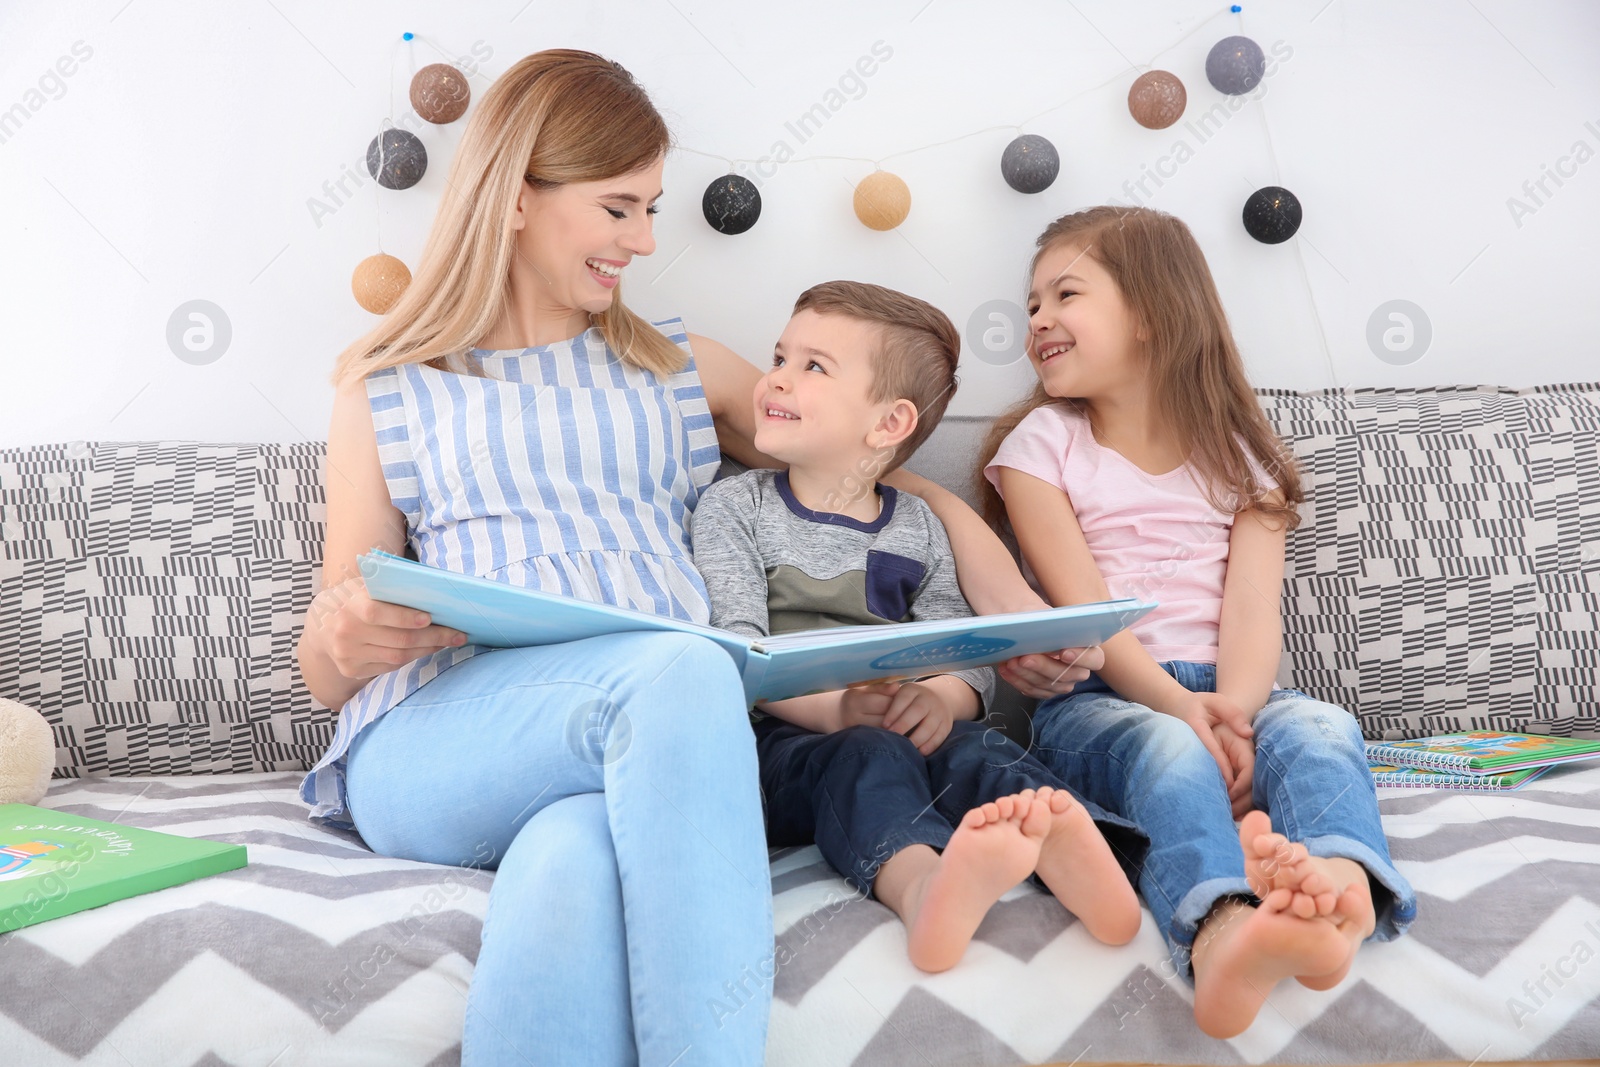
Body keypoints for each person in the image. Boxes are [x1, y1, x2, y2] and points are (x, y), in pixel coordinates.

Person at [293, 49, 1104, 1066]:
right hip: (442, 741)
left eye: (651, 208)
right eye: (618, 207)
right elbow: (327, 672)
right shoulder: (387, 385)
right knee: (687, 666)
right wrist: (342, 630)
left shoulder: (675, 366)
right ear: (514, 196)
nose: (643, 239)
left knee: (572, 867)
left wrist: (1013, 606)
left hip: (622, 762)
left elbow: (863, 464)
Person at [978, 205, 1417, 1039]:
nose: (1037, 319)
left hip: (1236, 694)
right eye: (1030, 304)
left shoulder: (1239, 454)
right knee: (1172, 750)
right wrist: (1185, 712)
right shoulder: (1042, 445)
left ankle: (1342, 893)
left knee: (1322, 724)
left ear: (1151, 312)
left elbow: (1254, 612)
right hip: (1105, 699)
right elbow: (1088, 613)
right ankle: (1218, 932)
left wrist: (1239, 716)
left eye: (1064, 294)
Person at [691, 281, 1148, 974]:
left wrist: (938, 702)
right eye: (780, 356)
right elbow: (741, 654)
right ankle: (924, 887)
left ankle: (1084, 855)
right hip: (784, 745)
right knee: (867, 753)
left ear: (888, 424)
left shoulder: (920, 526)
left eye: (812, 366)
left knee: (983, 750)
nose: (775, 378)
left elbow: (963, 654)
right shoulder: (733, 507)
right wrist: (839, 708)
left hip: (906, 727)